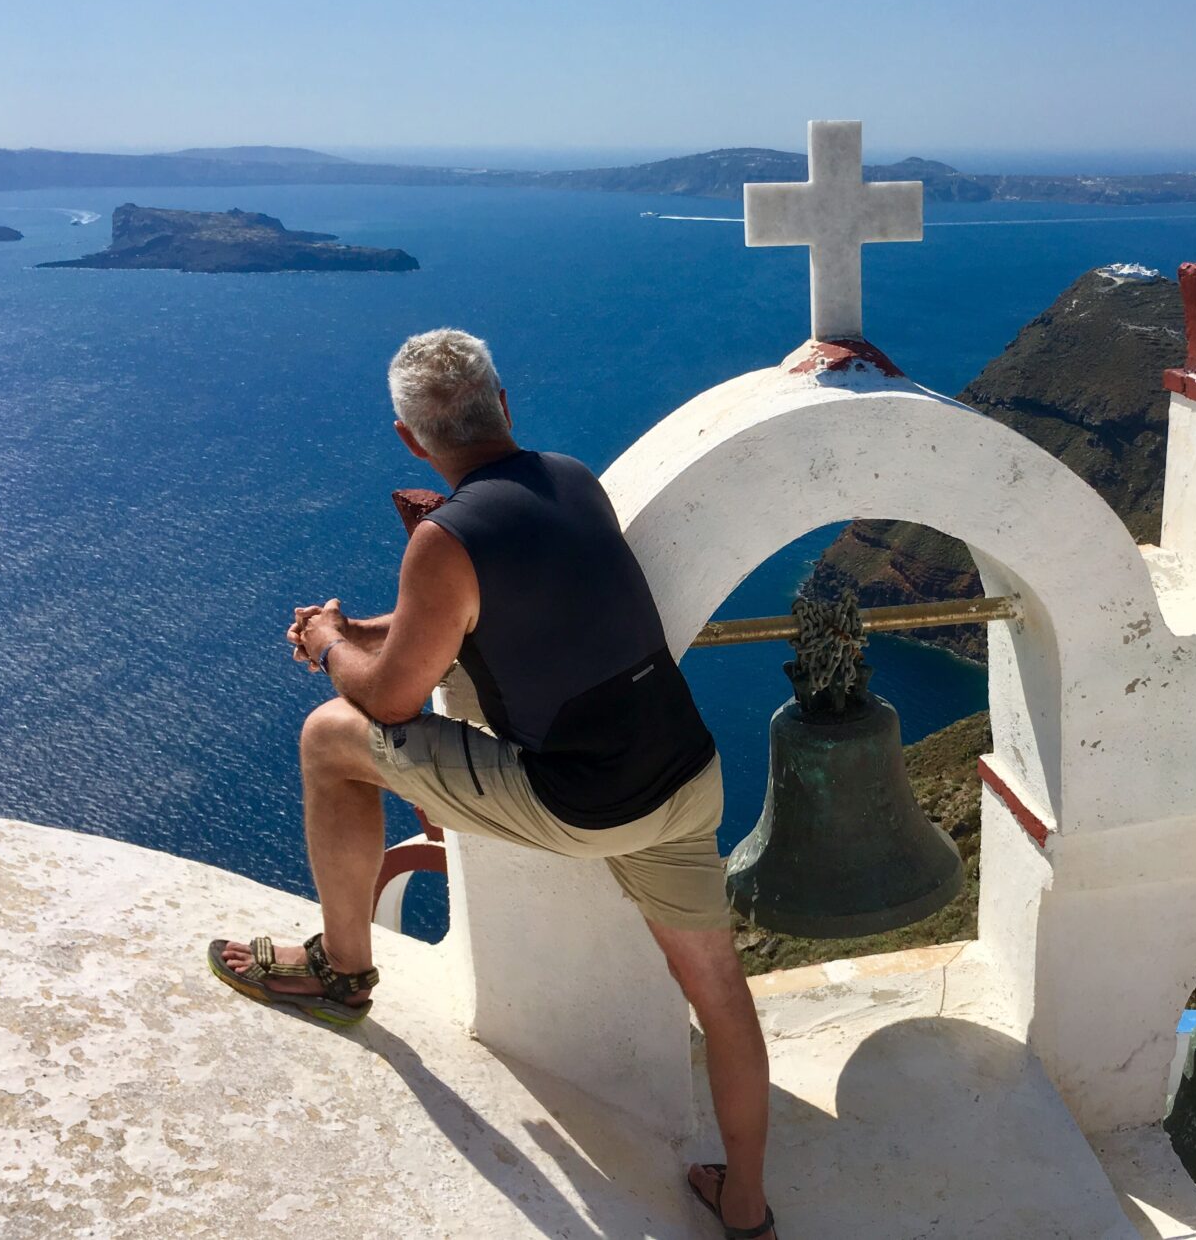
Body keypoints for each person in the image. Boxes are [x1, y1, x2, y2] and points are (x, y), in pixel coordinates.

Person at [208, 328, 777, 1240]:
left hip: (582, 800)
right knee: (717, 987)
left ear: (409, 439)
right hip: (682, 772)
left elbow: (393, 696)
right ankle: (746, 1207)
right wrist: (370, 622)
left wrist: (326, 645)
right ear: (503, 405)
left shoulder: (444, 538)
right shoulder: (571, 476)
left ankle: (342, 971)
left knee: (330, 737)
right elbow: (498, 593)